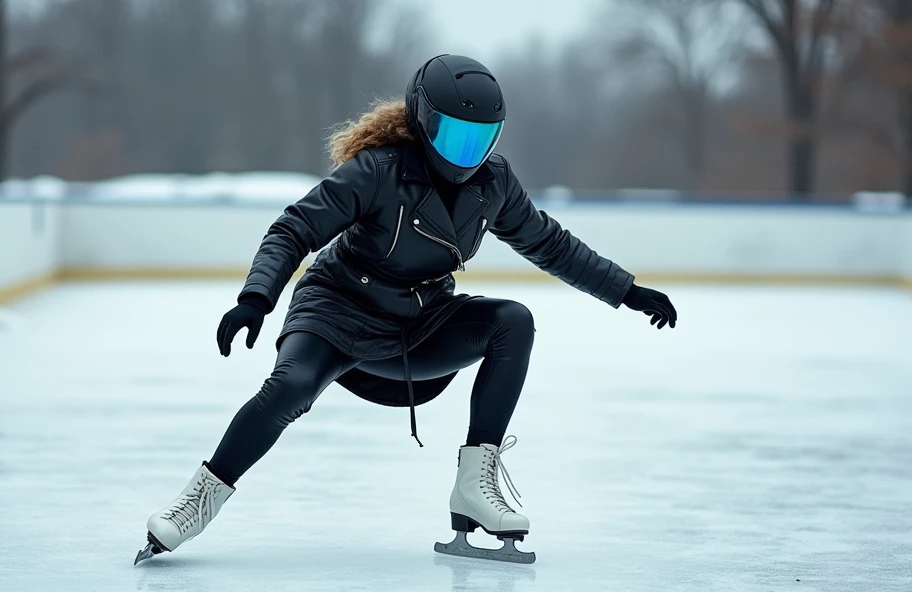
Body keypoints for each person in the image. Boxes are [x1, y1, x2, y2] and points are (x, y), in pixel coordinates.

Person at [134, 54, 677, 565]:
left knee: (511, 321)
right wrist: (256, 298)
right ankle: (198, 499)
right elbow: (294, 228)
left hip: (415, 328)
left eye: (481, 140)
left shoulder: (494, 184)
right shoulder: (377, 171)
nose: (467, 155)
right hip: (335, 313)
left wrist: (625, 291)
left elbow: (550, 244)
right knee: (290, 388)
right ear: (422, 121)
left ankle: (474, 482)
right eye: (454, 137)